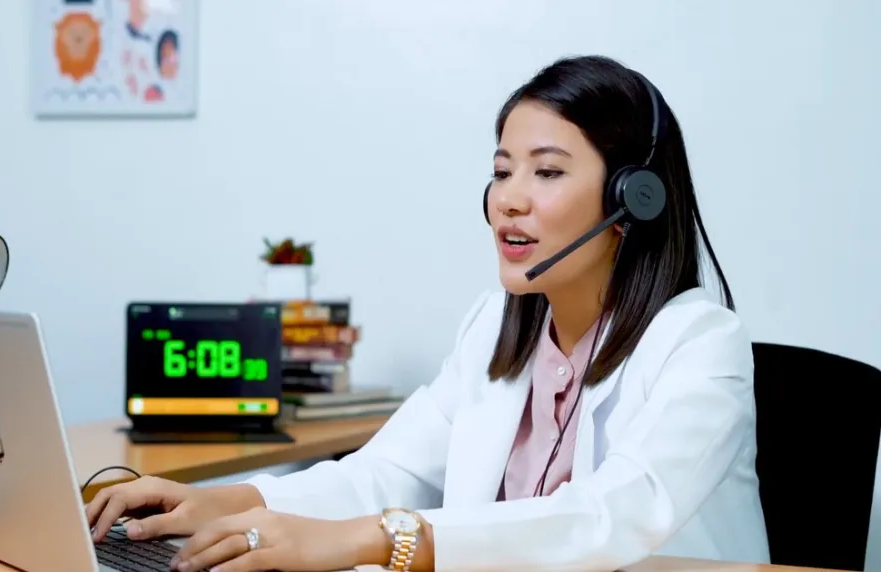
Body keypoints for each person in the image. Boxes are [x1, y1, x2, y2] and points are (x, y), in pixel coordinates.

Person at [85, 55, 770, 572]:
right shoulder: (497, 327)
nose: (509, 199)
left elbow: (613, 516)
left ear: (633, 200)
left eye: (547, 171)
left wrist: (380, 540)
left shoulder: (701, 342)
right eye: (502, 171)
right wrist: (227, 504)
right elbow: (380, 473)